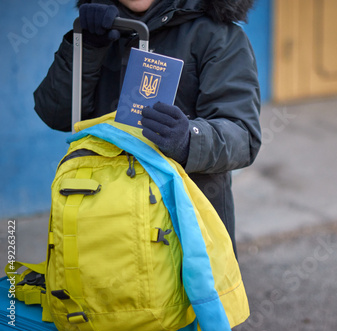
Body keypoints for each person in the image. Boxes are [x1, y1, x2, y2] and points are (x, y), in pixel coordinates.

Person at [34, 0, 262, 257]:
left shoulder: (217, 34)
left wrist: (189, 140)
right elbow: (54, 113)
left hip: (183, 228)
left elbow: (243, 135)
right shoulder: (95, 29)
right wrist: (87, 48)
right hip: (102, 220)